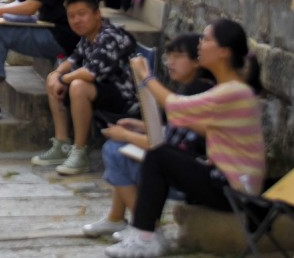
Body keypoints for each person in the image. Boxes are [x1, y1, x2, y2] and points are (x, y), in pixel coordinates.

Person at [104, 19, 265, 258]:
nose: (201, 44)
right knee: (158, 155)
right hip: (221, 178)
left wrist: (146, 78)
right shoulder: (229, 90)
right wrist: (142, 126)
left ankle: (146, 235)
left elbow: (173, 105)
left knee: (159, 155)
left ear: (223, 52)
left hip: (233, 189)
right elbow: (198, 125)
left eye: (207, 39)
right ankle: (146, 233)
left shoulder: (233, 92)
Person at [82, 33, 214, 240]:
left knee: (114, 150)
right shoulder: (191, 89)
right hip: (185, 166)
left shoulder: (198, 91)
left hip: (191, 176)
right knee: (121, 146)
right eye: (168, 56)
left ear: (197, 61)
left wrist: (126, 134)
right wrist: (142, 126)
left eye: (178, 56)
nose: (171, 62)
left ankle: (147, 228)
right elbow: (177, 132)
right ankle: (116, 217)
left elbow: (167, 144)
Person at [32, 0, 138, 175]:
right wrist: (57, 74)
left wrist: (63, 79)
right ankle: (62, 144)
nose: (76, 20)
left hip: (124, 98)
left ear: (97, 14)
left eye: (82, 14)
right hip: (101, 89)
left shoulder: (110, 36)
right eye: (71, 16)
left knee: (78, 86)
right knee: (53, 78)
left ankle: (80, 152)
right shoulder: (89, 36)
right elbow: (72, 60)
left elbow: (90, 73)